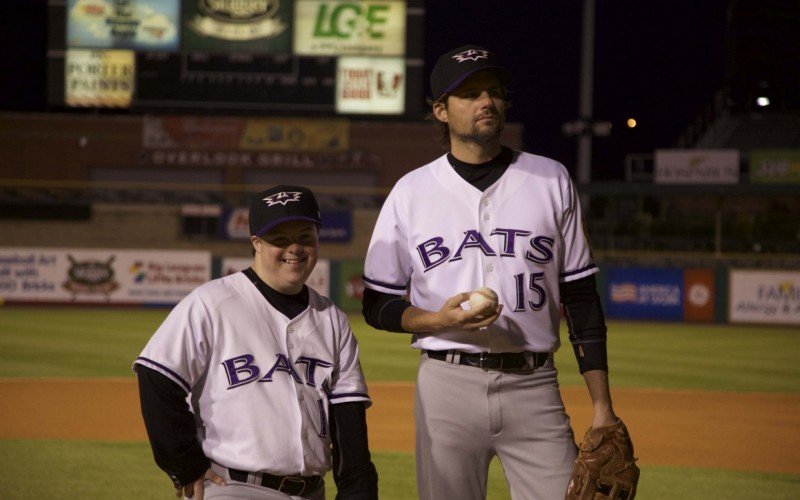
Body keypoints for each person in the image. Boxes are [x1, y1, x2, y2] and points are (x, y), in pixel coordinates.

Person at [361, 45, 628, 499]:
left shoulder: (551, 179)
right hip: (446, 386)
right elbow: (376, 303)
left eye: (494, 91)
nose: (486, 101)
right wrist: (436, 320)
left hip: (535, 385)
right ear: (441, 111)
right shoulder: (411, 192)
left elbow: (581, 296)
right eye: (469, 93)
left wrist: (602, 406)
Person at [135, 185, 378, 500]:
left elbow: (349, 422)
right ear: (257, 243)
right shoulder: (212, 302)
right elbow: (158, 377)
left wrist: (358, 493)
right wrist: (184, 463)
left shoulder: (331, 318)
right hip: (232, 488)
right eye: (280, 239)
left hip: (311, 491)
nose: (295, 248)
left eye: (306, 236)